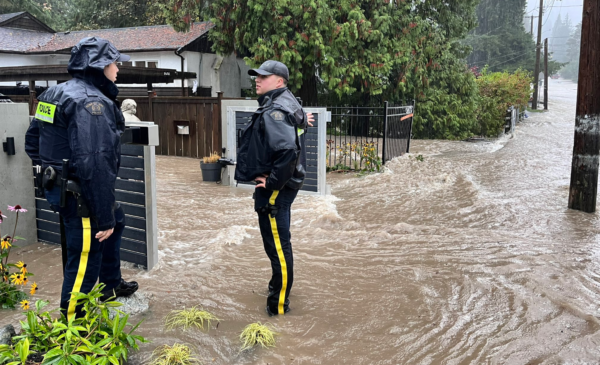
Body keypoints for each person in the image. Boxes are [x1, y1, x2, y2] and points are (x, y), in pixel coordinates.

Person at [25, 37, 138, 320]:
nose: (118, 69)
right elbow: (95, 163)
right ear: (99, 65)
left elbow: (32, 142)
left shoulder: (51, 95)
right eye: (114, 63)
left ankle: (111, 285)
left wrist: (54, 173)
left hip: (61, 188)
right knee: (85, 259)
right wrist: (103, 215)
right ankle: (74, 328)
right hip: (82, 195)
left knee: (119, 219)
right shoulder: (91, 102)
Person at [235, 60, 310, 316]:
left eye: (263, 76)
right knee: (277, 243)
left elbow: (288, 149)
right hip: (285, 184)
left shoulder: (275, 108)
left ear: (279, 81)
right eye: (256, 75)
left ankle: (278, 307)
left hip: (277, 188)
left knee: (278, 246)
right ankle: (277, 287)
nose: (257, 79)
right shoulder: (287, 102)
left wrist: (273, 182)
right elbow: (297, 131)